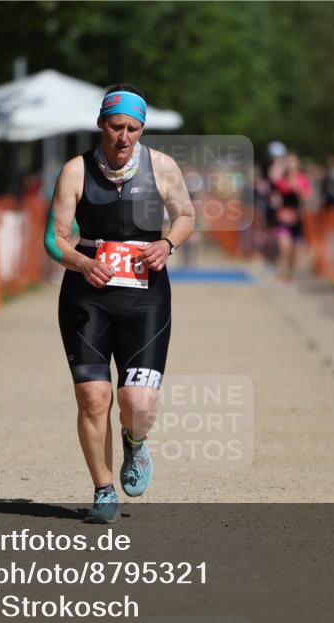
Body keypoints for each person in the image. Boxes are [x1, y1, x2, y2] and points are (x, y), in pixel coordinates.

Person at [44, 85, 195, 523]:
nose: (123, 137)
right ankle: (103, 489)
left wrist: (168, 244)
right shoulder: (75, 171)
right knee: (94, 397)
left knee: (137, 402)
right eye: (115, 127)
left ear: (142, 129)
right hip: (87, 296)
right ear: (101, 125)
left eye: (132, 128)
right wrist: (79, 261)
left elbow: (186, 215)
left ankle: (135, 443)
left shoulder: (162, 167)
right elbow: (53, 237)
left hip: (146, 299)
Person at [269, 153, 312, 286]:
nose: (292, 167)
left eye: (294, 164)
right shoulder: (282, 180)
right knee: (284, 247)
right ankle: (281, 275)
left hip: (297, 221)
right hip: (283, 219)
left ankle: (290, 277)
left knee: (294, 252)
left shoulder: (302, 179)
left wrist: (298, 188)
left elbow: (308, 196)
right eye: (289, 164)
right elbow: (273, 181)